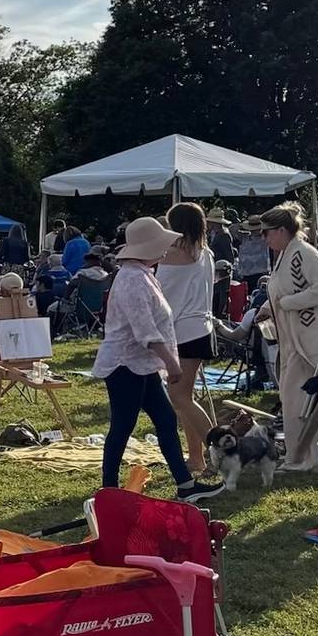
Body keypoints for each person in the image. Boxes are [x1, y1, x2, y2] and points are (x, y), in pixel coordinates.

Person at [92, 216, 223, 502]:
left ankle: (186, 485)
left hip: (140, 363)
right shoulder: (132, 280)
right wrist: (172, 363)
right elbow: (145, 331)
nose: (166, 248)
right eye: (160, 243)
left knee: (165, 419)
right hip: (125, 364)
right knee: (123, 426)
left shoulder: (142, 275)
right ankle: (109, 490)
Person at [259, 201, 318, 470]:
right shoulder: (286, 254)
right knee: (293, 398)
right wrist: (266, 308)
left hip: (312, 339)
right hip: (293, 340)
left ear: (282, 230)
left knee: (306, 399)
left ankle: (309, 457)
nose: (264, 238)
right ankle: (300, 455)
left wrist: (289, 303)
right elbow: (281, 290)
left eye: (267, 232)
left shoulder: (303, 253)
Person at [156, 202, 218, 476]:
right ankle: (196, 458)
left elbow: (161, 296)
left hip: (183, 331)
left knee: (180, 398)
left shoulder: (172, 255)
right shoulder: (206, 253)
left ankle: (219, 452)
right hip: (200, 329)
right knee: (185, 397)